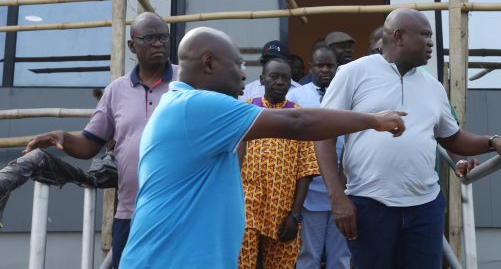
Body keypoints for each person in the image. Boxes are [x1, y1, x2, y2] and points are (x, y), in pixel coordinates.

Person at [119, 27, 406, 268]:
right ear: (208, 63)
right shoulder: (196, 106)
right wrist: (373, 120)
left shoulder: (187, 108)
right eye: (238, 65)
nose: (244, 76)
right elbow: (297, 122)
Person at [315, 8, 501, 268]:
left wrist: (494, 141)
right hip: (370, 204)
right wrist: (337, 197)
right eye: (425, 35)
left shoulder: (433, 87)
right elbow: (322, 133)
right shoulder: (354, 73)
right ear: (399, 36)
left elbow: (453, 139)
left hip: (424, 208)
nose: (431, 42)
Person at [22, 12, 176, 269]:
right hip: (130, 212)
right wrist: (63, 137)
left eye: (163, 37)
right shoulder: (116, 90)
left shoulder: (186, 83)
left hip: (178, 210)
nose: (158, 43)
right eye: (149, 38)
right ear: (131, 45)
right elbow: (90, 143)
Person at [238, 58, 318, 268]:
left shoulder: (298, 116)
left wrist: (295, 215)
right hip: (247, 205)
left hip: (283, 211)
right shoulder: (246, 111)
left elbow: (306, 170)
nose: (280, 82)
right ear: (262, 79)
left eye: (285, 78)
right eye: (274, 76)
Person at [287, 46, 351, 269]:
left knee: (340, 255)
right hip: (310, 189)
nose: (325, 70)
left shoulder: (347, 94)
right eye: (320, 65)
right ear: (310, 66)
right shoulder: (295, 95)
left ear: (337, 67)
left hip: (343, 187)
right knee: (308, 254)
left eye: (330, 65)